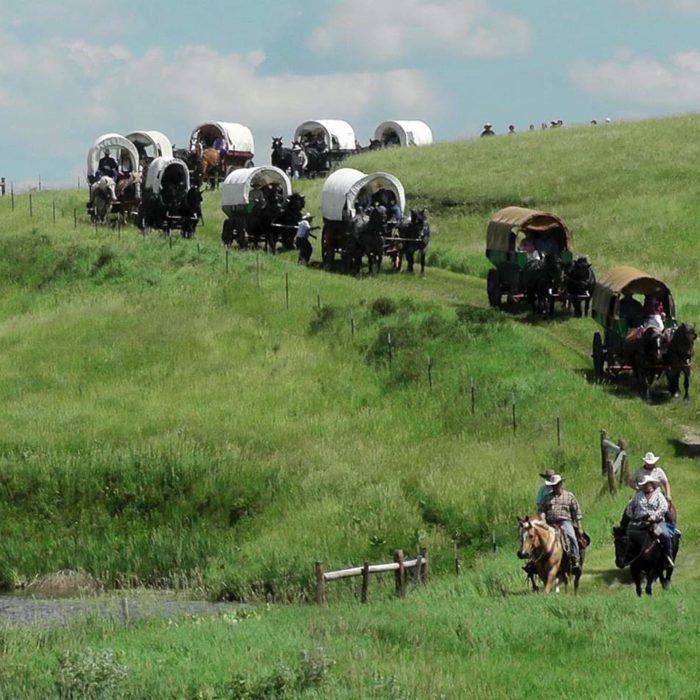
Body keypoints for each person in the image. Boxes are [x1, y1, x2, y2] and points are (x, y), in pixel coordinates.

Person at [623, 475, 674, 567]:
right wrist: (632, 515)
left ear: (653, 484)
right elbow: (630, 506)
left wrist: (655, 516)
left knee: (665, 535)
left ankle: (668, 557)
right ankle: (628, 556)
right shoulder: (638, 496)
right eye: (645, 485)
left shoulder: (659, 495)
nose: (647, 486)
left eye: (649, 484)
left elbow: (664, 507)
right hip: (639, 521)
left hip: (656, 521)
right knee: (627, 534)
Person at [539, 473, 584, 573]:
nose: (554, 487)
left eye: (555, 485)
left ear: (560, 484)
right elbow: (542, 510)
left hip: (564, 522)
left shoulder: (569, 496)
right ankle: (534, 562)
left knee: (571, 537)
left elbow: (577, 512)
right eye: (552, 485)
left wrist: (579, 526)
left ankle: (575, 559)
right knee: (537, 537)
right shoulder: (547, 498)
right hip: (549, 523)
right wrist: (542, 520)